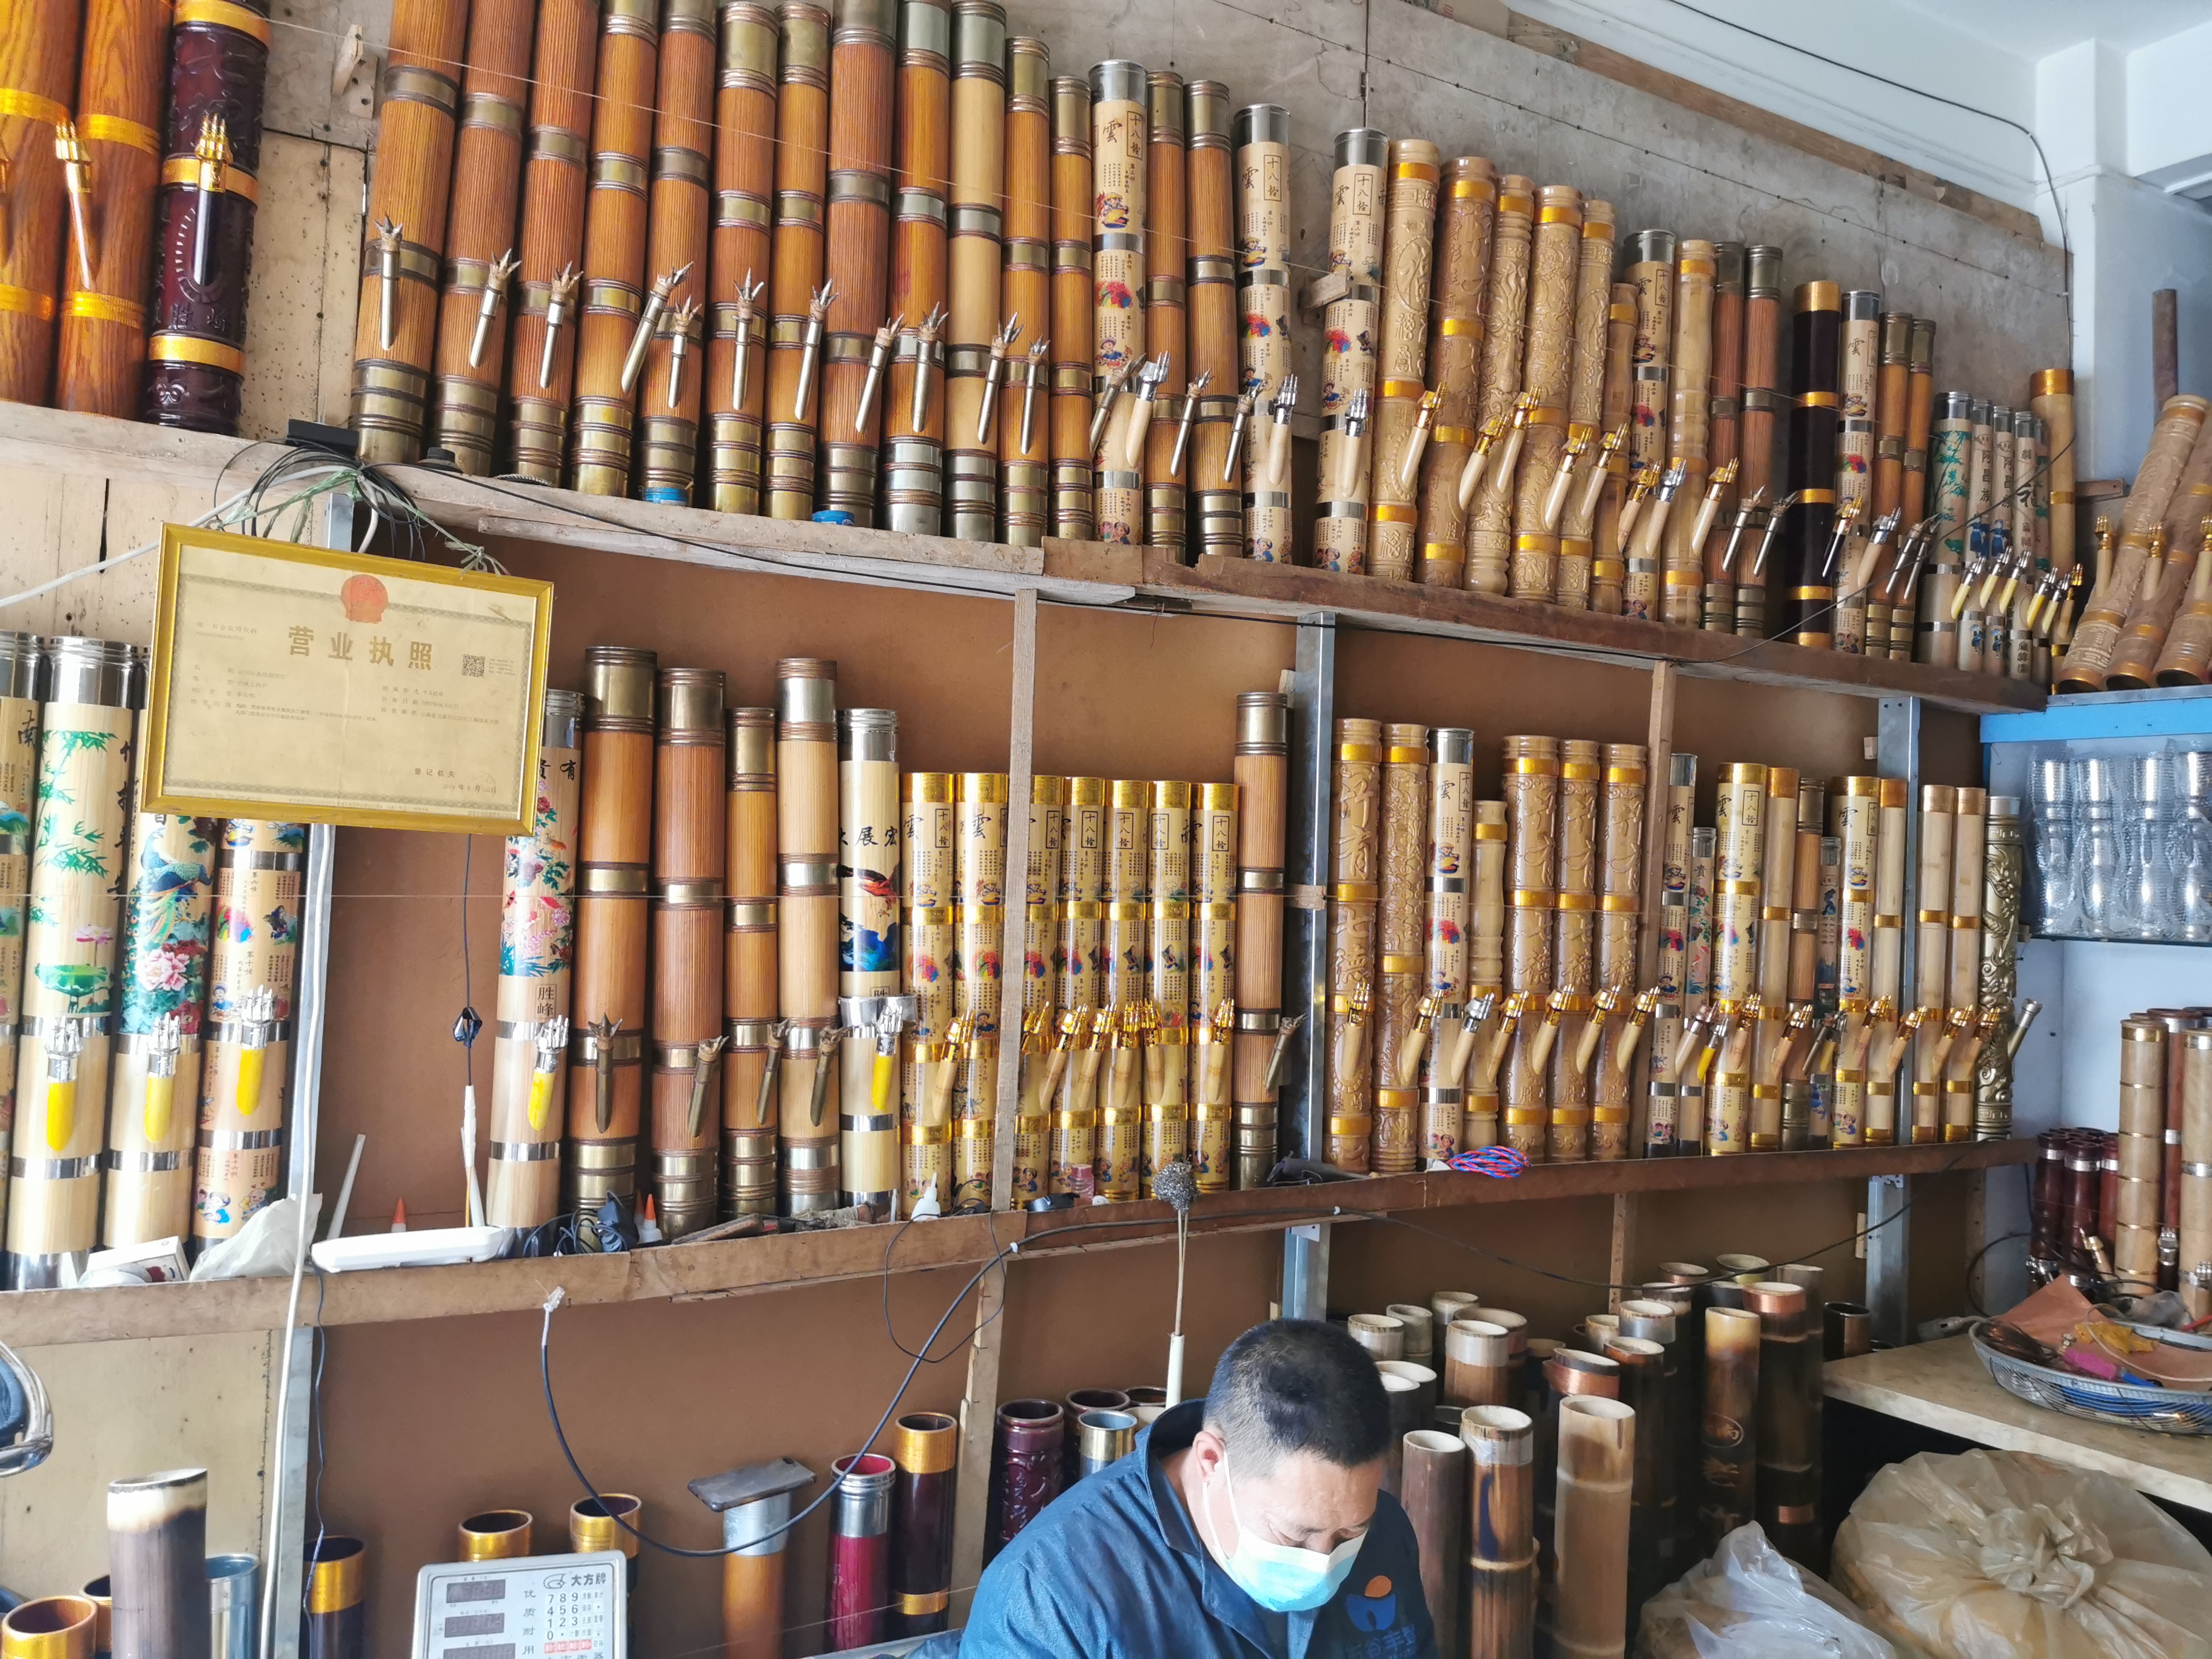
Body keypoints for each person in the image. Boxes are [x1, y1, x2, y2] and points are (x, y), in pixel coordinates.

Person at [954, 1319, 1437, 1658]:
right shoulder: (1049, 1597)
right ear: (1211, 1461)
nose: (1323, 1564)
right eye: (1295, 1536)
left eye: (1349, 1533)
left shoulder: (1385, 1531)